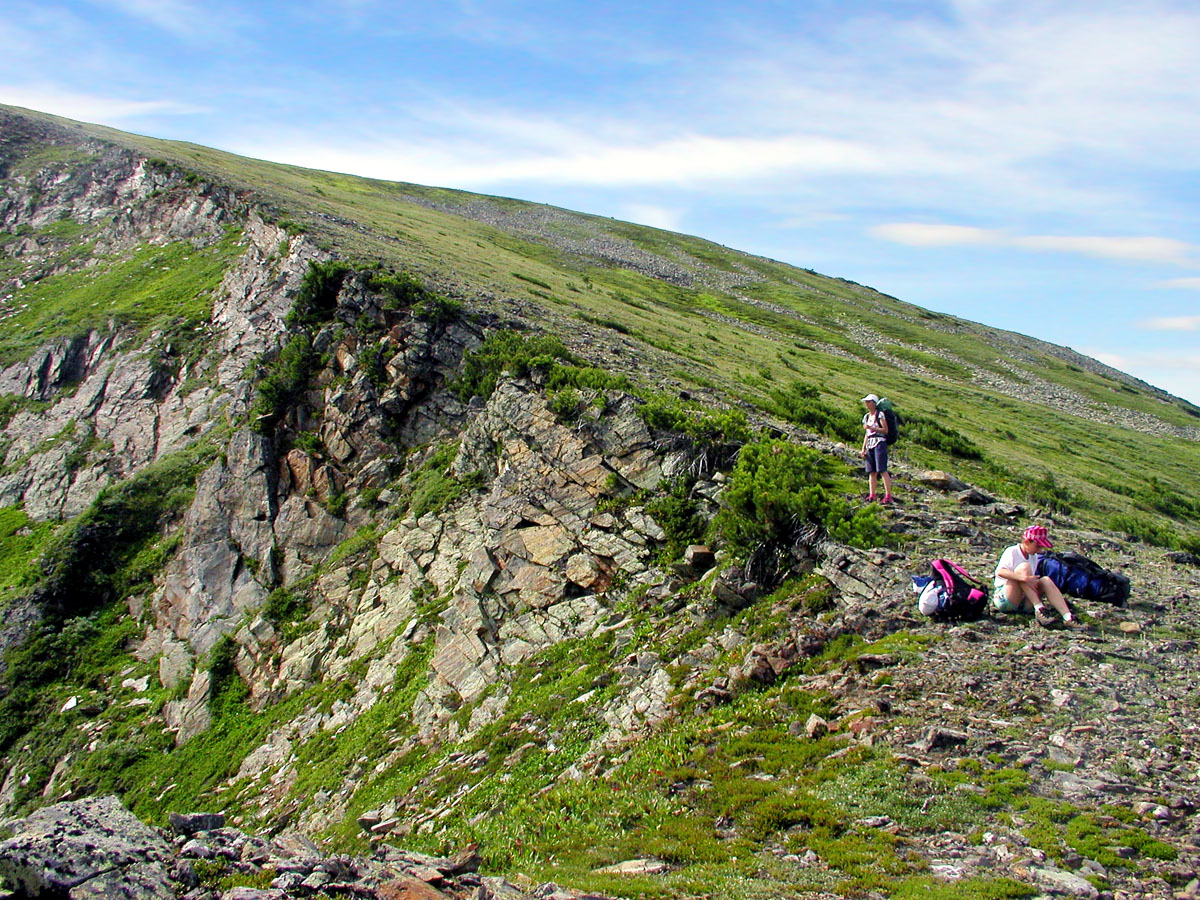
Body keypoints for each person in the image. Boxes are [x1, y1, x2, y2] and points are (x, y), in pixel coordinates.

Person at [993, 525, 1079, 627]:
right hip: (1006, 598)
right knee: (1024, 568)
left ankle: (1068, 617)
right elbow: (1000, 572)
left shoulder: (1033, 557)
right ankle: (1039, 609)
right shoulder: (1012, 551)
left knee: (1045, 580)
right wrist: (1023, 578)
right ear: (1027, 542)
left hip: (1024, 599)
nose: (1039, 550)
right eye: (1037, 546)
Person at [860, 394, 892, 504]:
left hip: (879, 443)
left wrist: (872, 427)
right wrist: (863, 448)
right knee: (872, 471)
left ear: (873, 403)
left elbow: (885, 430)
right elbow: (867, 434)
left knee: (882, 470)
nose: (866, 404)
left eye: (868, 401)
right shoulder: (866, 417)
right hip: (870, 444)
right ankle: (872, 494)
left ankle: (888, 495)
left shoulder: (880, 415)